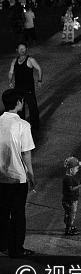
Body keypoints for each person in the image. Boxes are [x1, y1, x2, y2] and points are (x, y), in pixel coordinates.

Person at [0, 89, 37, 258]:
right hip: (17, 178)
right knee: (18, 215)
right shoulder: (23, 125)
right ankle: (17, 248)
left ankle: (3, 245)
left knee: (2, 213)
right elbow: (26, 153)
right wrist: (31, 175)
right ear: (19, 103)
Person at [7, 43, 43, 135]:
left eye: (24, 49)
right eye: (20, 49)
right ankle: (21, 126)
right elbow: (11, 72)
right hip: (18, 89)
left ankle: (35, 127)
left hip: (28, 89)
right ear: (17, 50)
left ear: (26, 49)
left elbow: (39, 69)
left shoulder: (30, 60)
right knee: (19, 109)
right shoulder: (14, 61)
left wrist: (39, 80)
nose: (22, 50)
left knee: (33, 108)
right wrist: (10, 81)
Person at [62, 156, 81, 236]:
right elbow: (71, 189)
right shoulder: (68, 179)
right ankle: (68, 228)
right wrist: (80, 186)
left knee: (69, 213)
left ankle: (69, 224)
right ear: (71, 169)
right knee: (72, 213)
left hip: (70, 199)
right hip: (70, 200)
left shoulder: (69, 177)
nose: (77, 170)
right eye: (77, 168)